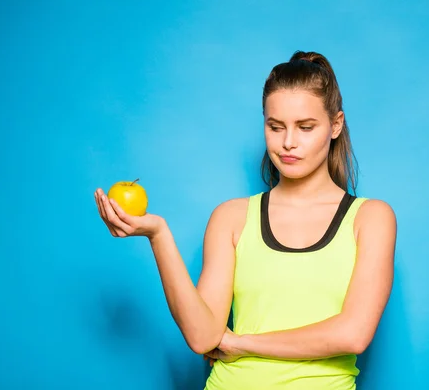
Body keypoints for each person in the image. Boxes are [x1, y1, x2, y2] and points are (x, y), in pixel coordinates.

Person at [94, 50, 397, 390]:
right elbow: (202, 337)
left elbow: (353, 334)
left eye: (305, 127)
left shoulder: (370, 218)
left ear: (336, 125)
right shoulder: (232, 217)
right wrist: (158, 235)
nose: (288, 143)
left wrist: (240, 343)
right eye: (275, 126)